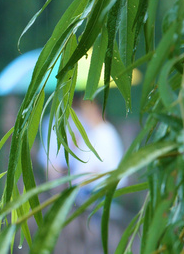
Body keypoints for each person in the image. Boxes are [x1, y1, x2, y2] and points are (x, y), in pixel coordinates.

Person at [35, 96, 128, 254]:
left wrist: (84, 178)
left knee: (68, 204)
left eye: (86, 112)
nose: (84, 117)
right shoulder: (93, 133)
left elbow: (102, 165)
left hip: (99, 187)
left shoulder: (104, 132)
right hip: (87, 186)